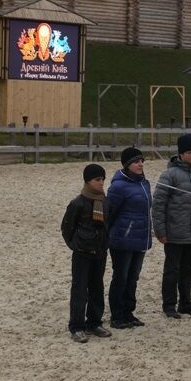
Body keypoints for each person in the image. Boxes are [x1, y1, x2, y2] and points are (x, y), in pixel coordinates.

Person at [152, 134, 191, 319]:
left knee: (188, 270)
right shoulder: (169, 175)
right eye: (190, 152)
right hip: (174, 232)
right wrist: (160, 231)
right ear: (181, 153)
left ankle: (186, 304)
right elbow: (158, 205)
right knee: (171, 271)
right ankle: (169, 305)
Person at [61, 164, 112, 343]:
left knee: (97, 288)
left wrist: (104, 243)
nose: (101, 183)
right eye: (97, 180)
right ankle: (76, 326)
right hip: (82, 252)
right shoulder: (78, 203)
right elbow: (67, 228)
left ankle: (95, 322)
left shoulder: (105, 202)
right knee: (79, 289)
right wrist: (76, 244)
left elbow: (108, 224)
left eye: (103, 179)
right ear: (88, 181)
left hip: (99, 251)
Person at [106, 147, 153, 328]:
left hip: (140, 238)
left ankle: (128, 312)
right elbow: (109, 213)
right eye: (136, 161)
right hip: (122, 240)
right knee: (121, 277)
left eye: (142, 160)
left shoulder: (144, 183)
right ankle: (117, 316)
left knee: (133, 278)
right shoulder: (118, 186)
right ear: (127, 165)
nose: (140, 164)